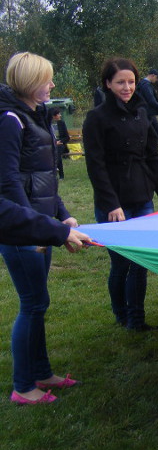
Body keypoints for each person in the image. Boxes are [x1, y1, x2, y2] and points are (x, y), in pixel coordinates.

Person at [0, 51, 81, 404]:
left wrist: (61, 215)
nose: (51, 85)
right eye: (46, 79)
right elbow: (9, 185)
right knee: (32, 304)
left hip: (41, 226)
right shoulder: (10, 121)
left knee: (38, 302)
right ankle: (23, 387)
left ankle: (42, 371)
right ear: (30, 82)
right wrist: (40, 229)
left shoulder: (35, 116)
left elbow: (45, 179)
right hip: (23, 233)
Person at [83, 58, 158, 331]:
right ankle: (121, 314)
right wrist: (111, 203)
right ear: (108, 84)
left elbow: (152, 157)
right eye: (120, 82)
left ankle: (137, 320)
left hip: (142, 198)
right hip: (113, 202)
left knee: (141, 263)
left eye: (131, 81)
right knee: (122, 263)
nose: (127, 87)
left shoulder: (142, 113)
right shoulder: (97, 118)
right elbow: (96, 166)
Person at [48, 106, 70, 178]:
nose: (60, 115)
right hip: (51, 144)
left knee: (57, 151)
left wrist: (60, 141)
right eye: (59, 114)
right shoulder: (48, 124)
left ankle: (60, 173)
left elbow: (67, 137)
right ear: (54, 116)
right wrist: (54, 142)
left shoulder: (61, 123)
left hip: (61, 144)